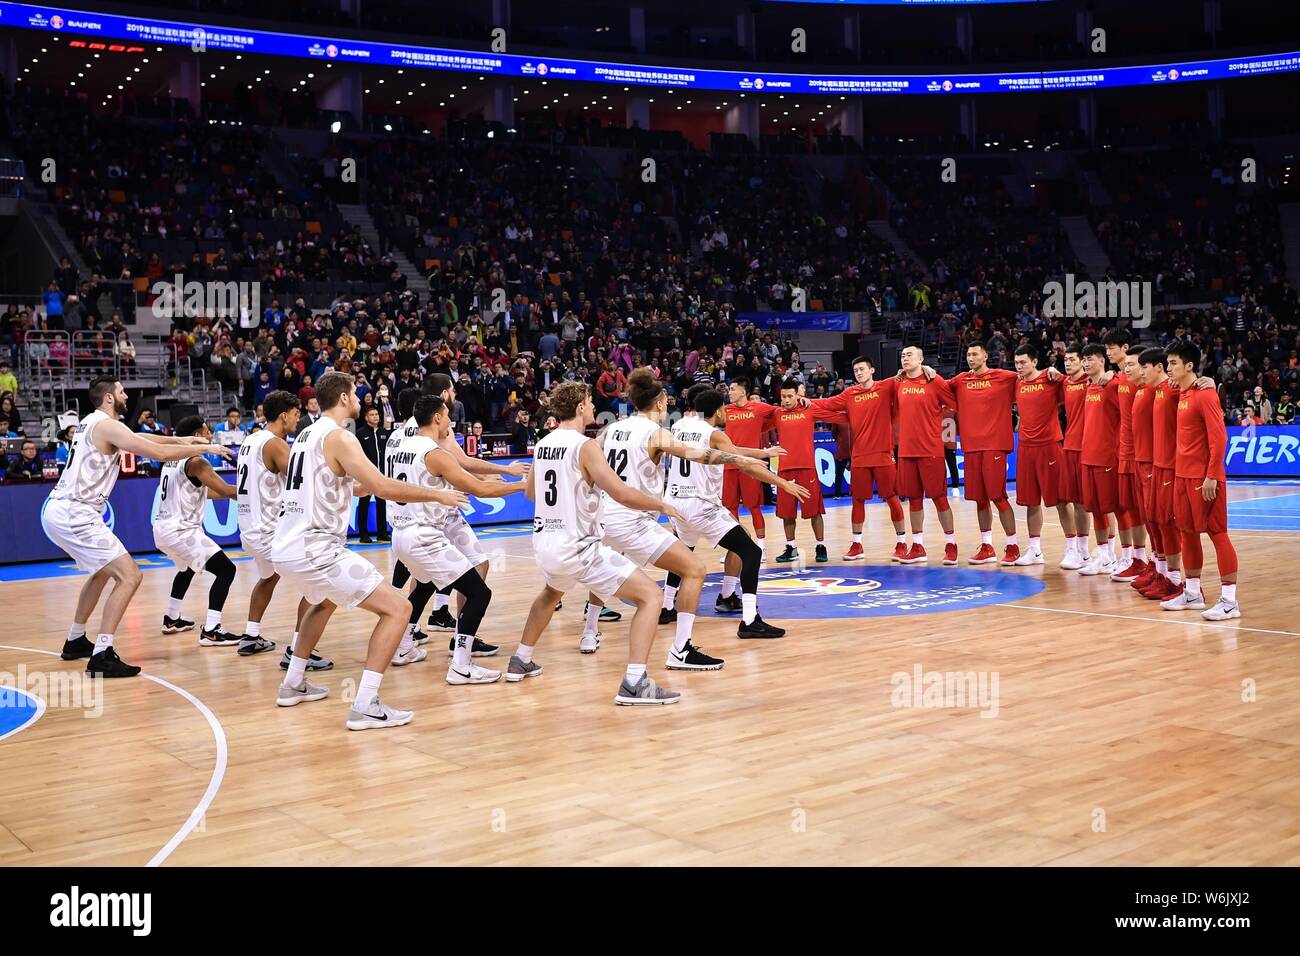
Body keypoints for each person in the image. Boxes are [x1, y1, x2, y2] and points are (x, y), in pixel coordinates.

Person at [270, 371, 468, 730]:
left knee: (323, 601)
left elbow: (351, 485)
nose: (362, 399)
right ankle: (365, 704)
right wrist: (437, 493)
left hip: (286, 545)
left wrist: (358, 485)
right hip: (315, 546)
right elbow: (380, 487)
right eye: (356, 394)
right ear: (344, 398)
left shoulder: (305, 435)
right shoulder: (340, 438)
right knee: (399, 608)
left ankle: (292, 683)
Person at [508, 381, 687, 705]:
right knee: (651, 596)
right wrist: (658, 504)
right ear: (579, 407)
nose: (593, 408)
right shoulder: (585, 446)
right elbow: (619, 491)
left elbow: (531, 493)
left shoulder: (544, 442)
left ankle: (520, 659)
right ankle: (635, 682)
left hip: (545, 542)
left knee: (550, 594)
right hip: (578, 546)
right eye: (590, 403)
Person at [42, 376, 233, 677]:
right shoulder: (105, 425)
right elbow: (155, 452)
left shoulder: (97, 424)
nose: (126, 396)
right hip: (74, 512)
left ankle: (76, 639)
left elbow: (147, 440)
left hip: (67, 510)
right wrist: (206, 446)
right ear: (108, 398)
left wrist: (185, 440)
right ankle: (102, 654)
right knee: (130, 576)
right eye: (120, 392)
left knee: (104, 572)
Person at [592, 369, 779, 668]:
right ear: (660, 403)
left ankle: (589, 631)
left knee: (572, 579)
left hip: (606, 515)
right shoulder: (657, 432)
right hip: (636, 518)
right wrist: (740, 459)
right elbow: (699, 455)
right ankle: (681, 649)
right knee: (694, 569)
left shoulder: (612, 429)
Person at [390, 394, 526, 682]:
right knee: (479, 593)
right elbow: (479, 491)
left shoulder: (399, 445)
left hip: (400, 533)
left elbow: (435, 478)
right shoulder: (435, 453)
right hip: (424, 535)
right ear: (437, 417)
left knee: (425, 584)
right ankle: (461, 665)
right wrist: (522, 485)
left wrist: (485, 481)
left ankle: (403, 647)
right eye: (447, 416)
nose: (450, 422)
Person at [669, 388, 808, 638]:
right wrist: (784, 483)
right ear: (720, 410)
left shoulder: (679, 425)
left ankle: (668, 605)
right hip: (700, 504)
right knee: (751, 551)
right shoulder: (713, 433)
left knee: (684, 551)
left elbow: (730, 449)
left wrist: (763, 453)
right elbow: (743, 464)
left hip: (675, 502)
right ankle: (750, 619)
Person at [235, 390, 323, 663]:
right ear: (284, 416)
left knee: (269, 577)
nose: (298, 420)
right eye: (296, 415)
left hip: (249, 528)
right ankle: (298, 651)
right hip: (268, 530)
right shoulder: (275, 444)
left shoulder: (250, 440)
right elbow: (301, 479)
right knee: (318, 584)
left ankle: (250, 635)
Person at [1162, 341, 1241, 620]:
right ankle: (1193, 592)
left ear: (1190, 366)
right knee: (1187, 533)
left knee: (1218, 534)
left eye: (1173, 363)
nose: (1168, 368)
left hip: (1204, 478)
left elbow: (1219, 439)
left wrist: (1211, 475)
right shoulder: (1181, 392)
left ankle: (1230, 601)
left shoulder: (1205, 394)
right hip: (1182, 476)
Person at [804, 355, 907, 561]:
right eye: (856, 370)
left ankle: (902, 543)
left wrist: (927, 370)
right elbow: (829, 404)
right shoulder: (850, 393)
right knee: (857, 500)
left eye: (862, 369)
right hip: (859, 456)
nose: (859, 372)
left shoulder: (886, 387)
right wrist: (807, 402)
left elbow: (906, 378)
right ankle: (857, 544)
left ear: (872, 370)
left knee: (891, 498)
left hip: (883, 454)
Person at [153, 416, 244, 646]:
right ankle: (212, 630)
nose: (210, 436)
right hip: (181, 531)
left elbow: (208, 492)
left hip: (163, 529)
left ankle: (172, 619)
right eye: (206, 432)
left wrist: (233, 493)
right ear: (196, 435)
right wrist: (254, 491)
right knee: (226, 570)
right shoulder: (197, 462)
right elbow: (223, 489)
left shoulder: (172, 460)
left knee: (187, 569)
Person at [948, 343, 1021, 565]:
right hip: (971, 447)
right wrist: (926, 371)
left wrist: (1050, 372)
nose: (971, 358)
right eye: (968, 354)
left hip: (995, 446)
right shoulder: (960, 380)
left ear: (985, 355)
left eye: (975, 354)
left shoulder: (1005, 376)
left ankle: (1013, 545)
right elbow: (938, 387)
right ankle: (987, 545)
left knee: (998, 496)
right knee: (979, 499)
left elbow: (1029, 374)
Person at [894, 346, 957, 564]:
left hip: (931, 450)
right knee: (913, 500)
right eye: (902, 355)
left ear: (921, 359)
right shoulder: (898, 382)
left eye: (909, 355)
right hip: (907, 451)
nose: (905, 358)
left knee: (939, 498)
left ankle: (951, 544)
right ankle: (918, 545)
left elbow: (956, 401)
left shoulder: (934, 381)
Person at [1010, 345, 1071, 566]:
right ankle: (1035, 550)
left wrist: (1059, 374)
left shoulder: (1050, 379)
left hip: (1050, 446)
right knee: (1030, 501)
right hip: (1026, 447)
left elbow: (1073, 384)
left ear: (1034, 362)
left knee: (1061, 501)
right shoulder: (1016, 382)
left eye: (1023, 362)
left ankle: (1073, 548)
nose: (1019, 366)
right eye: (1016, 363)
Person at [769, 380, 828, 564]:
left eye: (789, 396)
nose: (786, 400)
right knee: (787, 513)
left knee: (815, 512)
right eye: (783, 397)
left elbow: (833, 409)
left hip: (807, 468)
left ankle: (821, 546)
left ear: (797, 395)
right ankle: (791, 547)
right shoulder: (777, 413)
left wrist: (811, 401)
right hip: (785, 470)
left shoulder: (809, 409)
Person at [722, 377, 775, 558]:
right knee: (730, 508)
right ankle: (735, 550)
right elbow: (703, 419)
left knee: (754, 506)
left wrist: (802, 399)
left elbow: (781, 411)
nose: (729, 392)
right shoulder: (725, 410)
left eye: (732, 389)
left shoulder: (758, 408)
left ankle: (761, 547)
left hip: (751, 466)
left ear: (743, 392)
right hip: (729, 464)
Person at [1058, 344, 1094, 569]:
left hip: (1090, 447)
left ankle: (1087, 550)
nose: (1068, 363)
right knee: (1065, 499)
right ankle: (1073, 548)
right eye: (1066, 360)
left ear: (1083, 361)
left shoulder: (1093, 381)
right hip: (1069, 445)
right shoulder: (1064, 383)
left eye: (1073, 359)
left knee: (1091, 503)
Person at [355, 406, 391, 543]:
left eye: (377, 414)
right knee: (363, 503)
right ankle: (363, 534)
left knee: (382, 503)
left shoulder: (384, 432)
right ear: (366, 417)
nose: (375, 417)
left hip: (381, 474)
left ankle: (382, 533)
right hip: (366, 475)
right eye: (372, 414)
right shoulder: (360, 433)